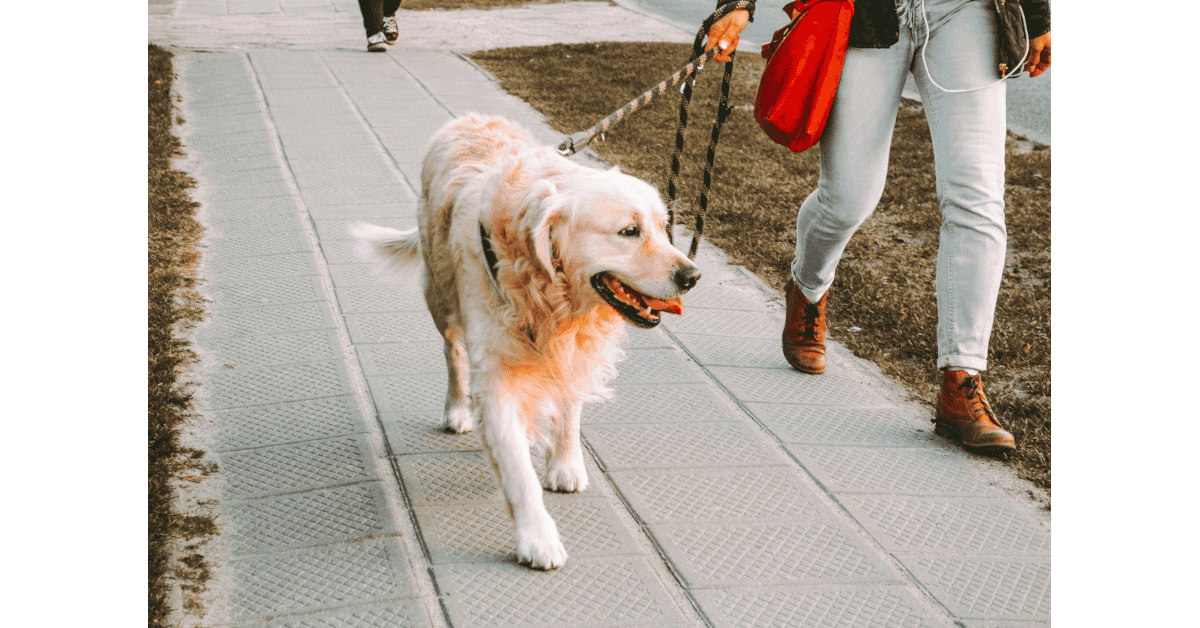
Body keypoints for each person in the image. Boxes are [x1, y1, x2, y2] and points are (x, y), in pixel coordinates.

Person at [705, 0, 1051, 455]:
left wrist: (1039, 17)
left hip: (966, 11)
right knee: (847, 198)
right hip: (868, 11)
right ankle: (808, 287)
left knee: (977, 198)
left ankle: (961, 378)